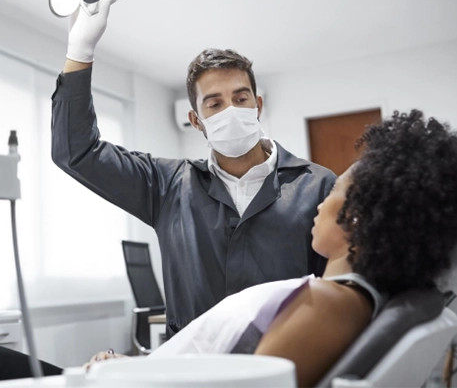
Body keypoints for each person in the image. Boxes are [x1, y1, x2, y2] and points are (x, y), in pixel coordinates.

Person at [87, 109, 457, 387]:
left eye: (335, 191)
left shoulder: (328, 306)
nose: (318, 203)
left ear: (356, 217)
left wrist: (126, 378)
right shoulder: (338, 300)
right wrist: (137, 368)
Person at [51, 0, 336, 338]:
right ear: (196, 120)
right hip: (192, 368)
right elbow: (77, 152)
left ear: (257, 105)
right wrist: (80, 52)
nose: (231, 109)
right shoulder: (167, 185)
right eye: (214, 103)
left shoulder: (318, 186)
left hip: (285, 364)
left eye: (240, 98)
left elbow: (336, 292)